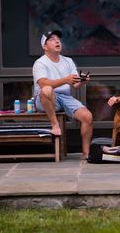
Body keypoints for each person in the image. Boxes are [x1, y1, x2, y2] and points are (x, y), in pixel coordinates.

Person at [33, 30, 93, 159]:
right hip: (44, 98)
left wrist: (82, 81)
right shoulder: (40, 63)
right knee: (47, 90)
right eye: (52, 39)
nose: (57, 41)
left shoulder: (68, 61)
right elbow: (43, 84)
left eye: (58, 39)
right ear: (45, 46)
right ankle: (55, 125)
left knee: (87, 116)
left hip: (65, 97)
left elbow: (75, 84)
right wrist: (65, 80)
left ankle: (86, 153)